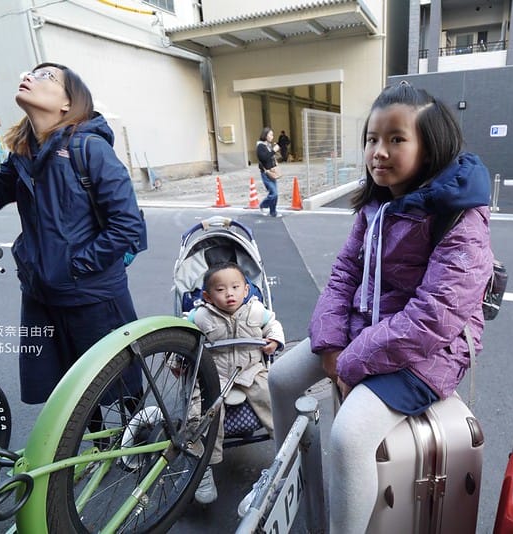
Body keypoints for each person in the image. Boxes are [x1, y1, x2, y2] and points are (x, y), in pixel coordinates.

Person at [249, 82, 494, 530]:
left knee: (348, 436)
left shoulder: (460, 218)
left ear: (430, 147)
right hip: (369, 331)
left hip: (428, 355)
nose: (378, 151)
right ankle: (290, 486)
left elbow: (432, 319)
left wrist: (350, 360)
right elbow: (344, 273)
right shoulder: (378, 205)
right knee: (281, 378)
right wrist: (328, 342)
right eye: (372, 139)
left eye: (396, 139)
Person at [0, 62, 145, 406]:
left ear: (68, 103)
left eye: (46, 76)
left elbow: (127, 225)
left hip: (91, 296)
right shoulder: (25, 153)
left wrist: (73, 267)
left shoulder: (90, 148)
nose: (27, 76)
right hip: (41, 296)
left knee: (114, 392)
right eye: (27, 72)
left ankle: (134, 450)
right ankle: (74, 457)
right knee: (65, 397)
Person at [188, 262, 285, 504]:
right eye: (221, 290)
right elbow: (180, 338)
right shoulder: (199, 316)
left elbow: (272, 324)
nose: (229, 293)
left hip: (251, 369)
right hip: (216, 375)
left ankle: (286, 452)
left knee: (275, 400)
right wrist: (177, 362)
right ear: (208, 297)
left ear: (246, 290)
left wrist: (273, 339)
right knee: (205, 414)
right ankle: (204, 464)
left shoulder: (256, 311)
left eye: (235, 287)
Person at [256, 127, 282, 217]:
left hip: (272, 171)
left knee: (275, 193)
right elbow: (264, 158)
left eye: (272, 135)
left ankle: (273, 212)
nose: (272, 136)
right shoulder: (260, 146)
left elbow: (272, 157)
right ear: (265, 135)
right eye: (270, 134)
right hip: (266, 173)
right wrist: (273, 150)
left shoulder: (268, 145)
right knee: (274, 193)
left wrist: (275, 152)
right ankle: (263, 205)